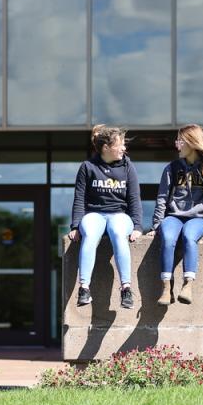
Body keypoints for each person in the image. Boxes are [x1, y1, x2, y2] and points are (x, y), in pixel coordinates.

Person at [147, 124, 203, 306]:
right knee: (168, 236)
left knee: (188, 235)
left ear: (192, 143)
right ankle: (166, 288)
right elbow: (162, 198)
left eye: (180, 141)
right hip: (174, 216)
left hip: (199, 219)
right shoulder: (172, 168)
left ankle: (188, 285)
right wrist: (156, 226)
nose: (177, 145)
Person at [68, 125, 142, 309]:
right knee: (90, 235)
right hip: (94, 214)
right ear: (106, 148)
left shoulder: (128, 166)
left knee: (118, 233)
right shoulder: (88, 167)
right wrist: (76, 226)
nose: (124, 148)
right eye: (120, 145)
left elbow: (134, 198)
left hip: (119, 215)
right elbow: (79, 198)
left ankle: (126, 288)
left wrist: (138, 227)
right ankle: (84, 288)